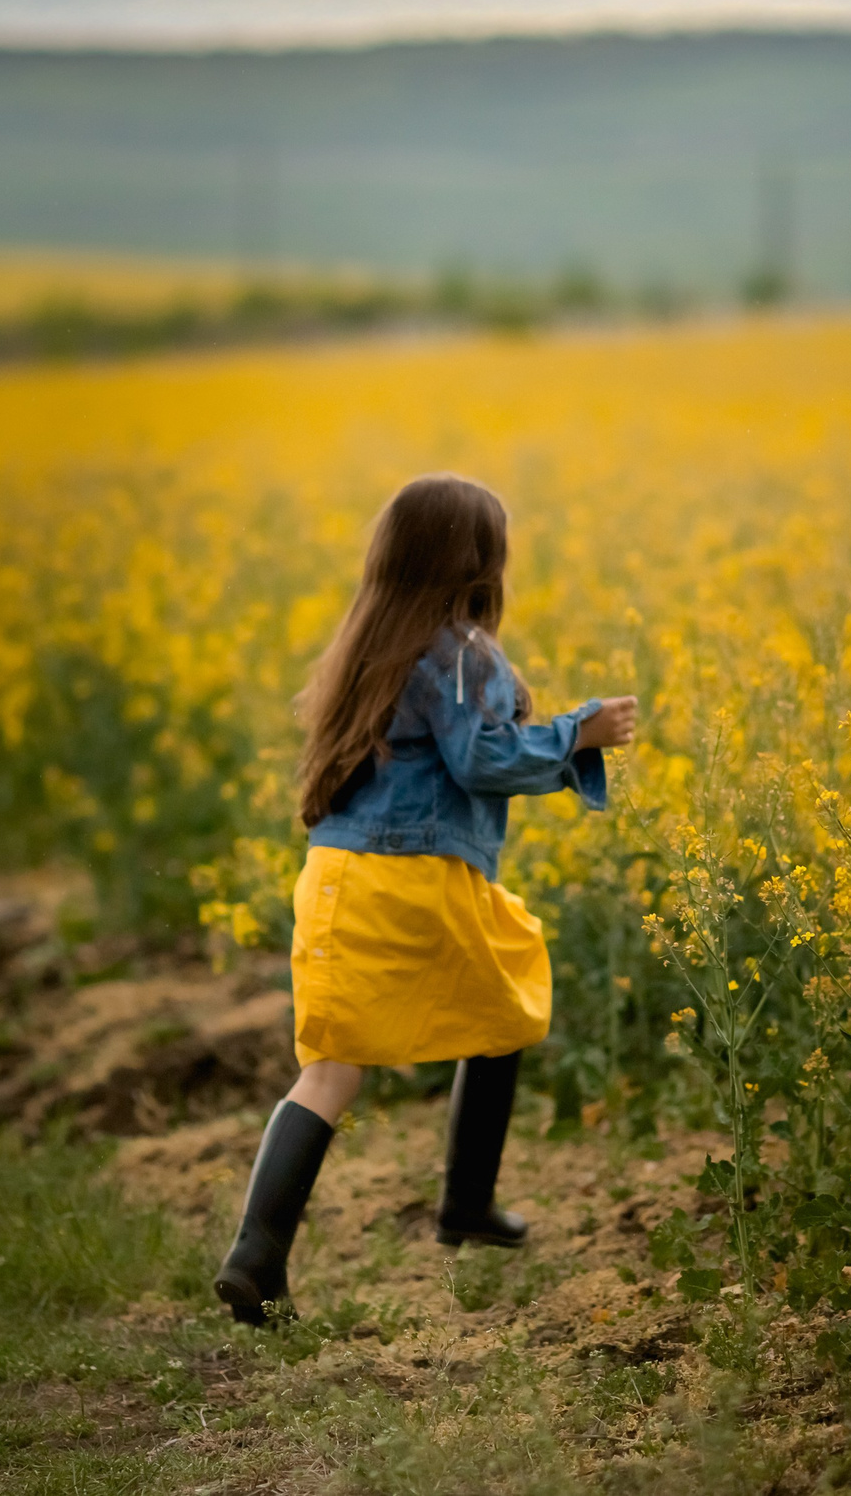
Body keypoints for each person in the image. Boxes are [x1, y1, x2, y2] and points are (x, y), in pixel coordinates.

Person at [213, 473, 637, 1325]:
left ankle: (256, 1257)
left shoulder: (365, 647)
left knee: (330, 1070)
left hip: (336, 879)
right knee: (511, 1005)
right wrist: (576, 734)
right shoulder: (462, 650)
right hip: (415, 880)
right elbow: (481, 758)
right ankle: (465, 1203)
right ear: (478, 561)